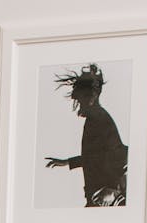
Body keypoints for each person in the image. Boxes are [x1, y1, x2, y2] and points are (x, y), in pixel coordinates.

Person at [45, 64, 128, 207]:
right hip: (100, 195)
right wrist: (68, 162)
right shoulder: (95, 118)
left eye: (81, 98)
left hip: (105, 195)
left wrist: (113, 190)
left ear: (92, 96)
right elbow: (96, 156)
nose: (78, 103)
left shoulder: (99, 118)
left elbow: (117, 154)